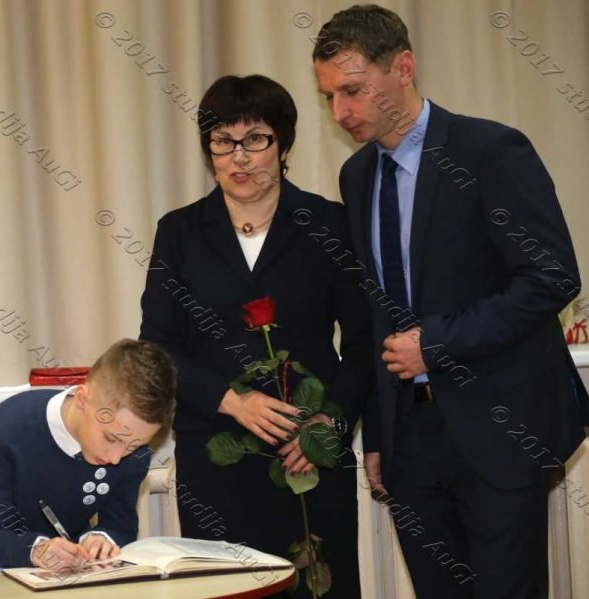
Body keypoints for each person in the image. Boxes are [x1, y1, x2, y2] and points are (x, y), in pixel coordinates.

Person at [312, 5, 588, 598]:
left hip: (499, 431)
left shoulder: (489, 151)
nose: (340, 112)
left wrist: (436, 344)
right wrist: (379, 436)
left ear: (403, 68)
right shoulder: (356, 177)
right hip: (410, 444)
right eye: (329, 96)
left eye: (352, 91)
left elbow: (551, 277)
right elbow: (377, 312)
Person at [139, 74, 374, 598]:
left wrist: (328, 426)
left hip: (308, 456)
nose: (239, 157)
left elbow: (364, 343)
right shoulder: (179, 232)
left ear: (283, 144)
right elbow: (158, 344)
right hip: (216, 460)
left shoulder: (330, 224)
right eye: (223, 142)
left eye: (255, 139)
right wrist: (232, 401)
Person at [0, 339, 176, 572]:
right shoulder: (7, 429)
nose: (116, 458)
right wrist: (37, 550)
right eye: (111, 438)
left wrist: (102, 538)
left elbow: (120, 525)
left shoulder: (133, 452)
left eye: (133, 446)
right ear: (82, 399)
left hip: (53, 561)